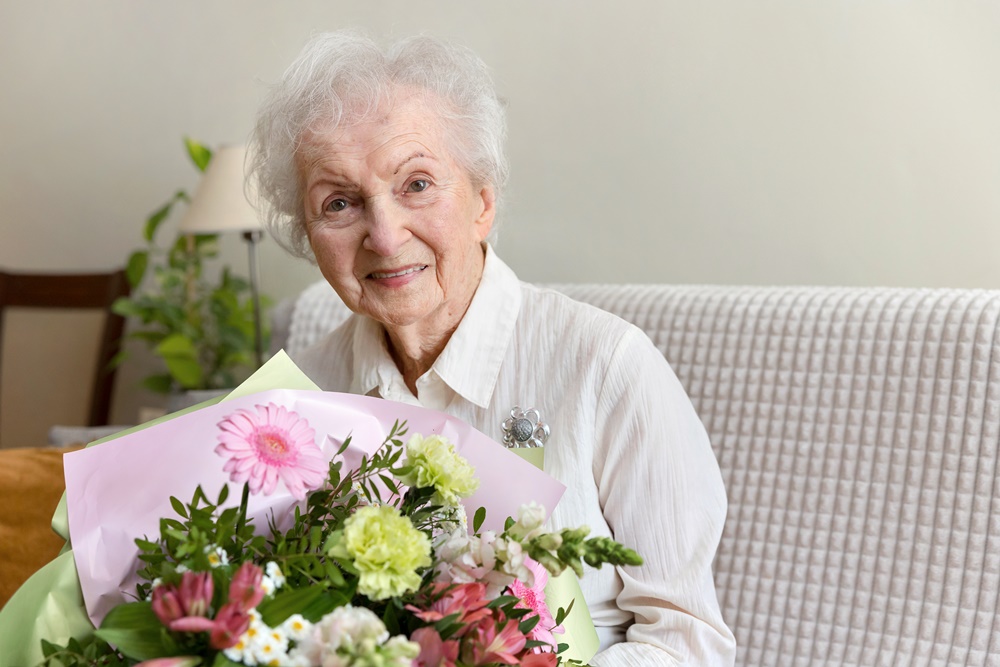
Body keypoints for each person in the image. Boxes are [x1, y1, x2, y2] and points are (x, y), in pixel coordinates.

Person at [249, 30, 736, 666]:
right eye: (338, 203)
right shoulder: (290, 401)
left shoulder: (606, 366)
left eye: (417, 183)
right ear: (308, 235)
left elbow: (688, 643)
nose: (386, 237)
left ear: (483, 201)